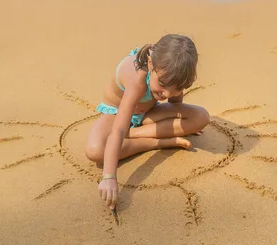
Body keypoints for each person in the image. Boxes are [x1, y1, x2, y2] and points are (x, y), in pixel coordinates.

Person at [85, 34, 210, 209]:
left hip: (147, 113)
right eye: (163, 85)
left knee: (201, 116)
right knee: (95, 151)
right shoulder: (137, 80)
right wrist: (108, 177)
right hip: (116, 114)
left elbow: (175, 105)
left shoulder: (174, 76)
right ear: (151, 65)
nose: (167, 94)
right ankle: (154, 143)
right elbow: (118, 130)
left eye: (178, 88)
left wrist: (181, 124)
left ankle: (134, 134)